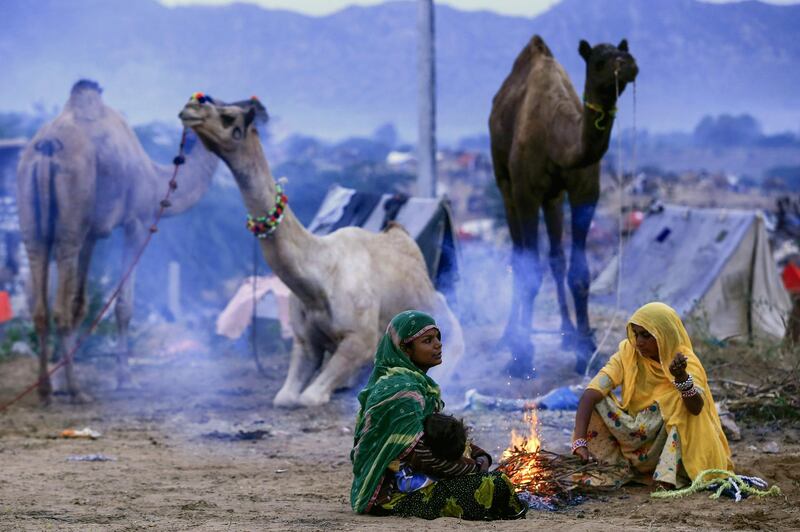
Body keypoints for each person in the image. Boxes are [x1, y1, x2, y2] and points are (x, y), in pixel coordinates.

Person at [350, 310, 527, 520]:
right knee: (494, 485)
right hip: (392, 496)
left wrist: (479, 455)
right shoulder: (399, 391)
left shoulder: (418, 385)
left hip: (421, 477)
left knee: (494, 484)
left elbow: (438, 435)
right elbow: (418, 455)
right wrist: (473, 467)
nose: (438, 345)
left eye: (437, 338)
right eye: (427, 340)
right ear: (405, 349)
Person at [571, 302, 733, 489]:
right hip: (635, 439)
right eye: (636, 334)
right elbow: (591, 393)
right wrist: (579, 441)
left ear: (663, 335)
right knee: (598, 401)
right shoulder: (628, 353)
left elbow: (696, 408)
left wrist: (681, 377)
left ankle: (667, 475)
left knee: (679, 401)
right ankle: (616, 468)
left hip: (667, 440)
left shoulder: (683, 360)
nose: (639, 341)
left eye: (646, 336)